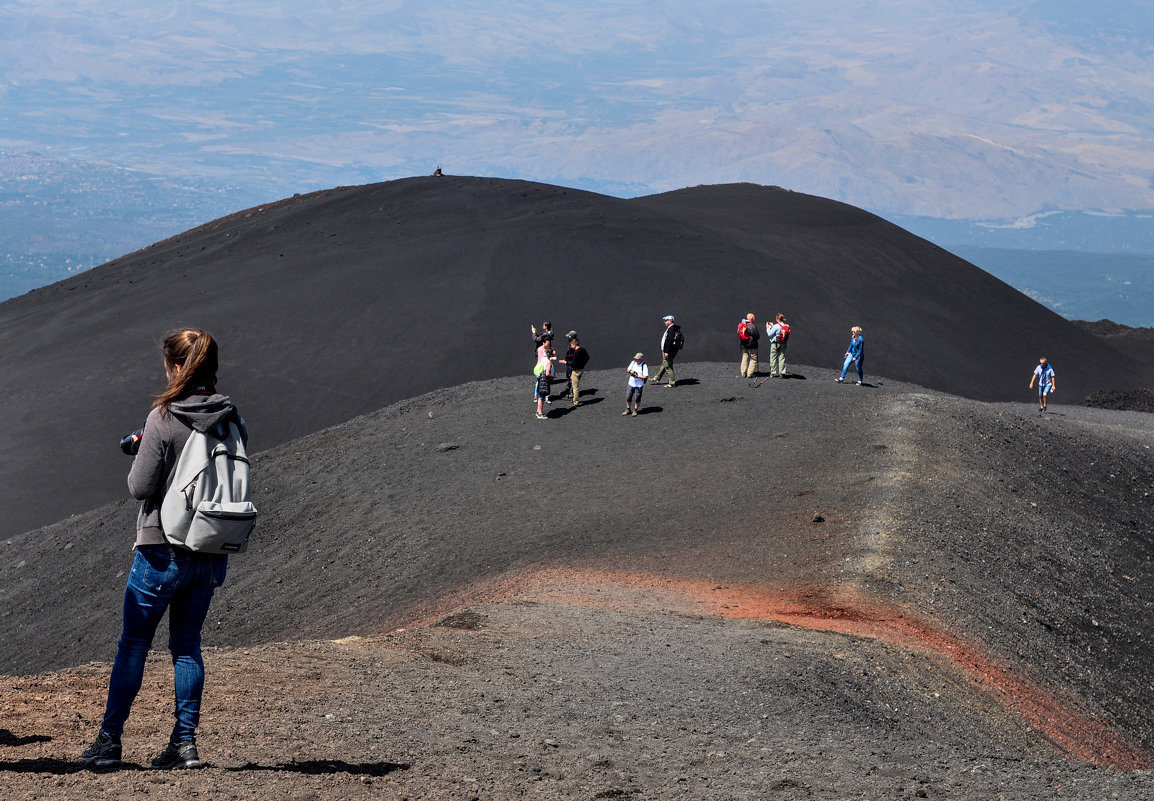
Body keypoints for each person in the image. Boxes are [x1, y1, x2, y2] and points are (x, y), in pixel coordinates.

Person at [81, 328, 247, 771]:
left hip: (161, 548)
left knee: (134, 645)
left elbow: (140, 487)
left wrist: (141, 449)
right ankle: (185, 744)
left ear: (177, 367)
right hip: (211, 546)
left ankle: (110, 742)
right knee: (187, 646)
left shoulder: (164, 416)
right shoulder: (232, 417)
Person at [651, 315, 683, 387]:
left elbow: (669, 341)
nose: (664, 322)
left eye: (666, 320)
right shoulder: (673, 328)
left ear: (670, 321)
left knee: (668, 366)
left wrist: (667, 351)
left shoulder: (671, 329)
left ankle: (672, 383)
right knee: (665, 363)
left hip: (668, 350)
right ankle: (657, 377)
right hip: (669, 350)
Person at [558, 336, 589, 406]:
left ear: (574, 344)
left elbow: (573, 363)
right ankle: (575, 399)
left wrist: (565, 362)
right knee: (576, 384)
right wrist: (583, 364)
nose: (571, 346)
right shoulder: (583, 349)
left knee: (575, 387)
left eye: (571, 345)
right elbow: (587, 357)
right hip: (582, 369)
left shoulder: (576, 352)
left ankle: (575, 401)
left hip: (576, 371)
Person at [534, 343, 556, 419]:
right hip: (545, 380)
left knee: (540, 396)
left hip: (540, 378)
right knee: (542, 397)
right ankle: (540, 413)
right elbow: (547, 373)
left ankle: (538, 411)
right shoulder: (548, 362)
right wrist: (553, 376)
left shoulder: (543, 359)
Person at [765, 314, 790, 378]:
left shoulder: (776, 326)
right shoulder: (785, 326)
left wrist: (768, 327)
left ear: (777, 319)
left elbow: (769, 334)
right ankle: (782, 373)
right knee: (781, 358)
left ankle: (772, 373)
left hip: (775, 344)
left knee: (773, 358)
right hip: (783, 343)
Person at [624, 352, 648, 416]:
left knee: (637, 398)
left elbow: (646, 376)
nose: (636, 360)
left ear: (641, 359)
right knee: (628, 397)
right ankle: (628, 409)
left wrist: (638, 377)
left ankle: (635, 410)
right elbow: (628, 369)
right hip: (631, 383)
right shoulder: (633, 362)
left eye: (637, 359)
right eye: (636, 359)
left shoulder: (644, 366)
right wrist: (630, 371)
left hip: (639, 385)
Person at [738, 313, 759, 377]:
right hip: (752, 345)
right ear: (752, 318)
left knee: (745, 357)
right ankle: (750, 374)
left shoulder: (742, 325)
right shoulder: (752, 326)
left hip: (744, 345)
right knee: (753, 358)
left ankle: (743, 373)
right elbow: (757, 336)